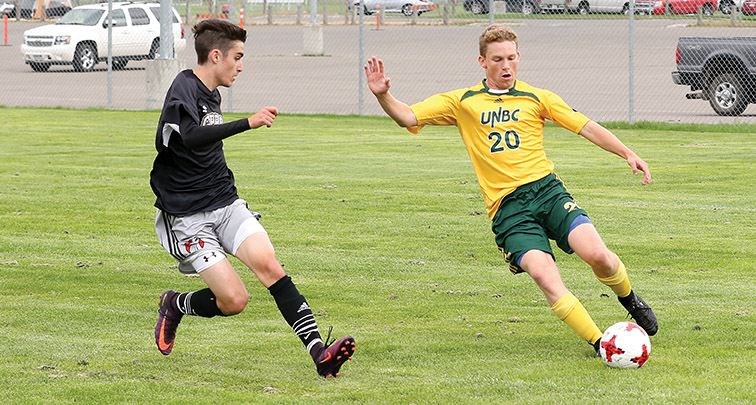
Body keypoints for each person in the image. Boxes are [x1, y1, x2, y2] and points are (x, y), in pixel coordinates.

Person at [364, 24, 657, 354]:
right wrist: (383, 95)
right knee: (546, 277)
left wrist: (628, 153)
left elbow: (585, 126)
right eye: (498, 59)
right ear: (482, 61)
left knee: (599, 256)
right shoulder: (462, 102)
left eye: (512, 58)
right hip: (509, 210)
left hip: (548, 192)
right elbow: (407, 116)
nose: (506, 66)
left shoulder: (537, 97)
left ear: (519, 58)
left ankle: (630, 300)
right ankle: (602, 345)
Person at [149, 19, 355, 377]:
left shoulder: (213, 93)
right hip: (188, 215)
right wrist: (248, 122)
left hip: (225, 202)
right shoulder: (184, 87)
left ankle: (320, 354)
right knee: (234, 301)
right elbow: (191, 137)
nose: (242, 65)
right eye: (238, 57)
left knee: (270, 266)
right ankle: (175, 303)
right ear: (216, 56)